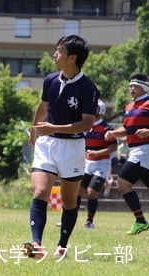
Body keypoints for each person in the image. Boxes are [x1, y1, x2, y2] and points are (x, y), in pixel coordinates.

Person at [22, 34, 100, 259]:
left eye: (59, 51)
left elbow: (87, 123)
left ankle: (62, 245)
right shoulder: (50, 80)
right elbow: (43, 106)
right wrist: (35, 130)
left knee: (68, 201)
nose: (54, 55)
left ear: (72, 57)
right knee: (39, 192)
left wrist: (54, 128)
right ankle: (36, 244)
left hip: (72, 147)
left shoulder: (88, 88)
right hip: (47, 143)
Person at [104, 73, 149, 235]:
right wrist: (113, 133)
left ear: (143, 87)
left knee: (122, 184)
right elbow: (127, 129)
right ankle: (140, 221)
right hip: (135, 151)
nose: (130, 88)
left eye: (134, 86)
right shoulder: (129, 107)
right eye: (129, 85)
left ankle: (140, 221)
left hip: (145, 150)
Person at [77, 99, 117, 229]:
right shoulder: (85, 126)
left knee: (91, 193)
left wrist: (97, 153)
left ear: (101, 111)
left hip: (102, 164)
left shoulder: (107, 128)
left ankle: (89, 221)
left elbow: (113, 147)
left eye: (95, 108)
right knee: (77, 190)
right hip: (87, 163)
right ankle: (70, 218)